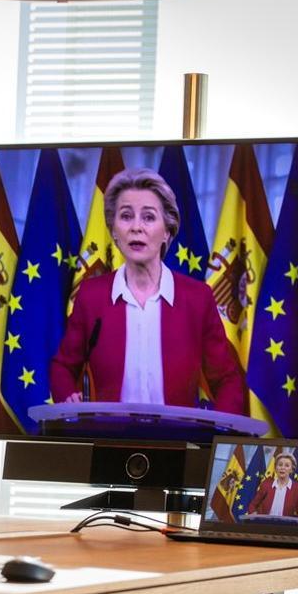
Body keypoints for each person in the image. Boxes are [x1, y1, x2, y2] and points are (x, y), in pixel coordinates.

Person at [49, 167, 246, 413]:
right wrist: (68, 400)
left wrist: (219, 431)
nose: (136, 227)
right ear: (113, 231)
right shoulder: (92, 296)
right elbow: (63, 367)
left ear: (167, 230)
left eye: (149, 217)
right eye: (126, 216)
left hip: (177, 442)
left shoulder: (197, 298)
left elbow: (227, 379)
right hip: (110, 438)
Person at [246, 452, 298, 521]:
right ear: (275, 468)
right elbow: (252, 505)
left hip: (285, 527)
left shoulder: (297, 488)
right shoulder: (266, 484)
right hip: (264, 525)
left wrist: (297, 524)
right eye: (280, 465)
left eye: (287, 465)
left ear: (292, 469)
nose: (282, 468)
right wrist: (254, 515)